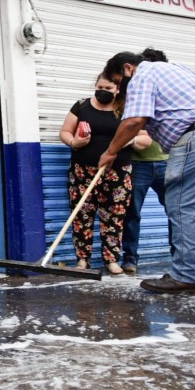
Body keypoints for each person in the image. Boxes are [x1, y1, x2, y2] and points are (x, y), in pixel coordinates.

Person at [100, 50, 195, 294]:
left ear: (128, 68)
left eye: (118, 82)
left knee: (183, 208)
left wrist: (110, 152)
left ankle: (186, 276)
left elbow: (134, 120)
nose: (121, 89)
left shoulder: (143, 74)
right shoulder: (178, 68)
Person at [58, 72, 143, 275]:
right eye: (100, 87)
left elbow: (145, 139)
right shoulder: (82, 106)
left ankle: (111, 260)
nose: (103, 91)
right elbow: (64, 132)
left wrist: (129, 140)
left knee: (114, 216)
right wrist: (74, 142)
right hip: (82, 171)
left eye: (108, 88)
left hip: (117, 173)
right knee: (81, 215)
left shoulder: (127, 109)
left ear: (118, 89)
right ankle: (82, 260)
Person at [120, 48, 174, 273]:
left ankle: (179, 258)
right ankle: (130, 258)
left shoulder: (165, 92)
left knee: (176, 213)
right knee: (132, 213)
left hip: (166, 161)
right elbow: (128, 125)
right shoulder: (132, 92)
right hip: (138, 165)